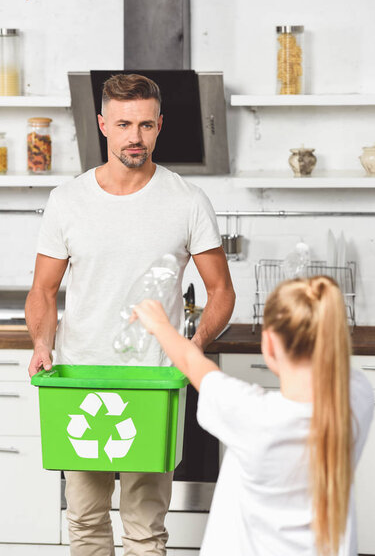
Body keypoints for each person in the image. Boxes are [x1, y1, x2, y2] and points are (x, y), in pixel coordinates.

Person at [25, 73, 235, 556]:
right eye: (123, 124)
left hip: (152, 384)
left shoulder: (186, 201)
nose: (134, 137)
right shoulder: (68, 200)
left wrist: (193, 345)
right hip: (79, 379)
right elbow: (43, 290)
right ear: (103, 125)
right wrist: (41, 342)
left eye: (144, 125)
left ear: (160, 125)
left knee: (145, 528)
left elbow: (221, 290)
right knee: (85, 521)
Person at [132, 276, 374, 556]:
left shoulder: (253, 415)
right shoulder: (357, 397)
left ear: (269, 344)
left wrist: (160, 325)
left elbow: (191, 362)